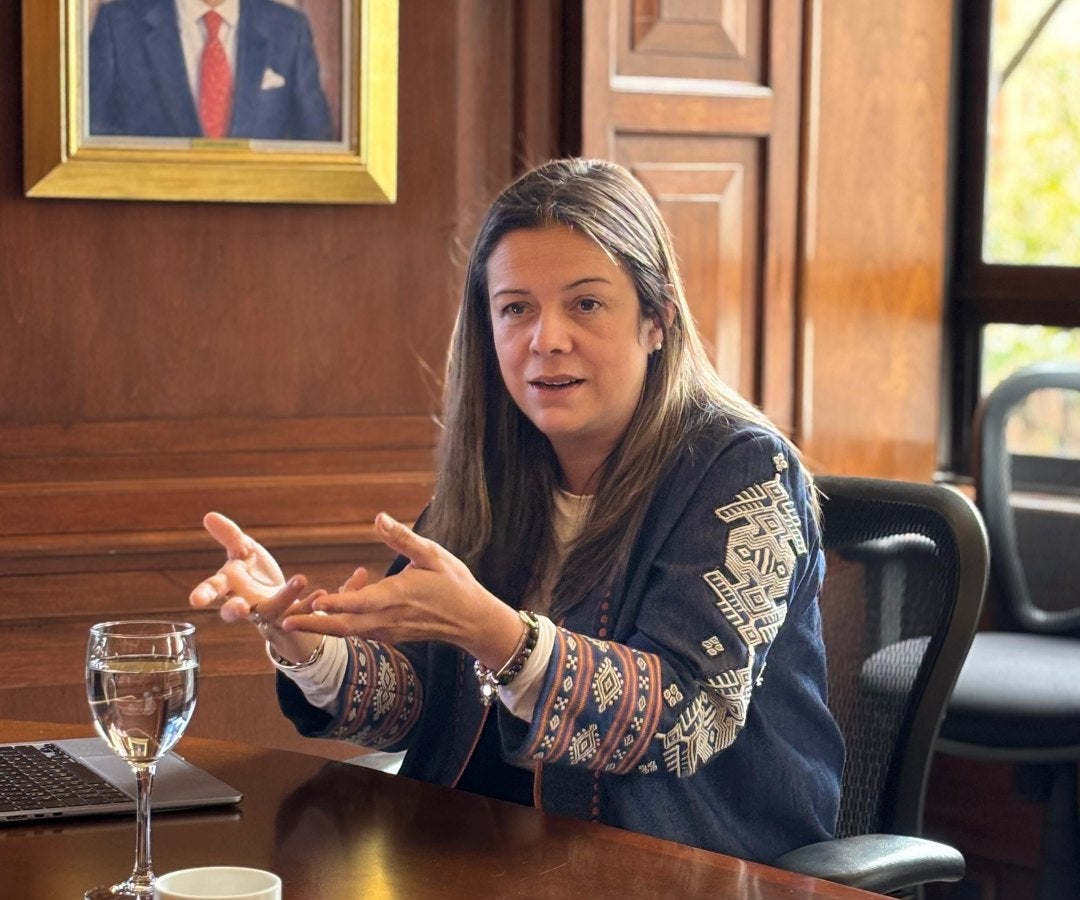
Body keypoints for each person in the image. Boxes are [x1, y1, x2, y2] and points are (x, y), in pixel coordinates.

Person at [189, 157, 845, 864]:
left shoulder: (744, 470)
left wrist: (495, 633)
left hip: (691, 870)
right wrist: (305, 645)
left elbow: (686, 719)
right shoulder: (491, 473)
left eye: (586, 304)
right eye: (516, 308)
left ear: (657, 321)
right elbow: (420, 706)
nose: (546, 338)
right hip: (484, 857)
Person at [88, 0, 333, 141]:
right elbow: (94, 139)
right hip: (150, 218)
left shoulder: (288, 29)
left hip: (263, 221)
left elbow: (317, 142)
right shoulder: (118, 25)